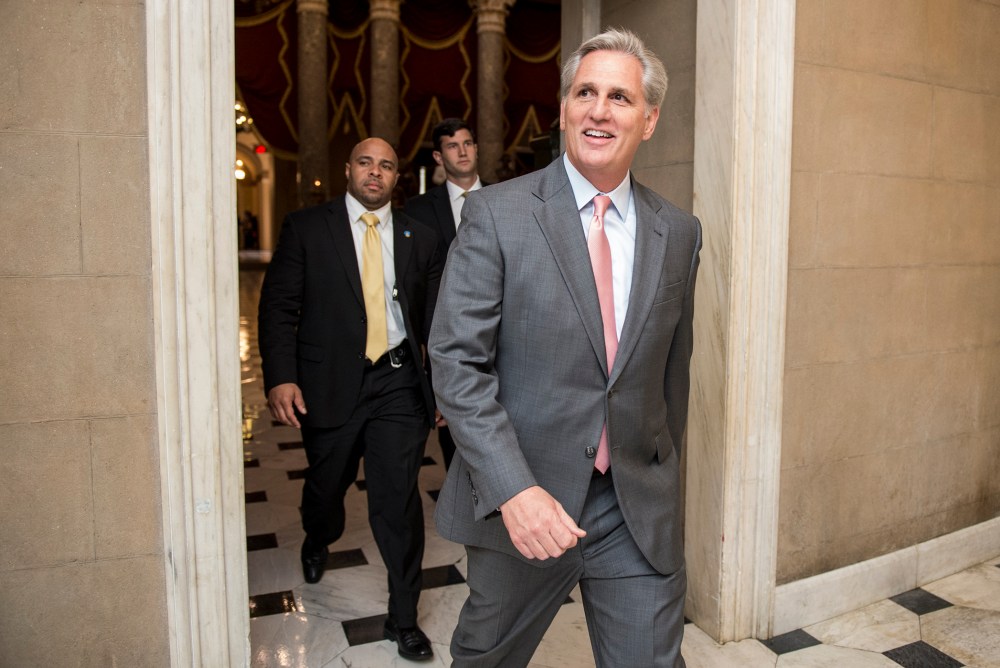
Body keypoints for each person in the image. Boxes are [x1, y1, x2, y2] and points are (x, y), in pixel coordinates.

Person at [428, 28, 702, 667]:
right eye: (586, 92)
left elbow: (672, 373)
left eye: (620, 97)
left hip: (633, 511)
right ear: (563, 108)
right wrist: (512, 489)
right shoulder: (497, 215)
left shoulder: (679, 233)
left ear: (649, 119)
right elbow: (458, 363)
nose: (600, 110)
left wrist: (656, 470)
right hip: (525, 504)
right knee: (486, 659)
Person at [258, 137, 443, 662]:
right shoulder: (307, 228)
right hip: (330, 386)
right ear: (348, 169)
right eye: (366, 162)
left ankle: (403, 619)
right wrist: (281, 378)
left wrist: (445, 385)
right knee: (325, 487)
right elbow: (278, 309)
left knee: (398, 504)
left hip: (398, 385)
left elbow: (436, 322)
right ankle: (318, 535)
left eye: (386, 165)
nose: (375, 173)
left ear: (396, 177)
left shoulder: (419, 237)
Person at [404, 118, 484, 470]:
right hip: (445, 331)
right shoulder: (417, 211)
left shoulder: (509, 196)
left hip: (501, 330)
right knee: (452, 426)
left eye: (467, 143)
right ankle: (463, 510)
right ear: (438, 156)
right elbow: (414, 279)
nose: (462, 151)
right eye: (453, 146)